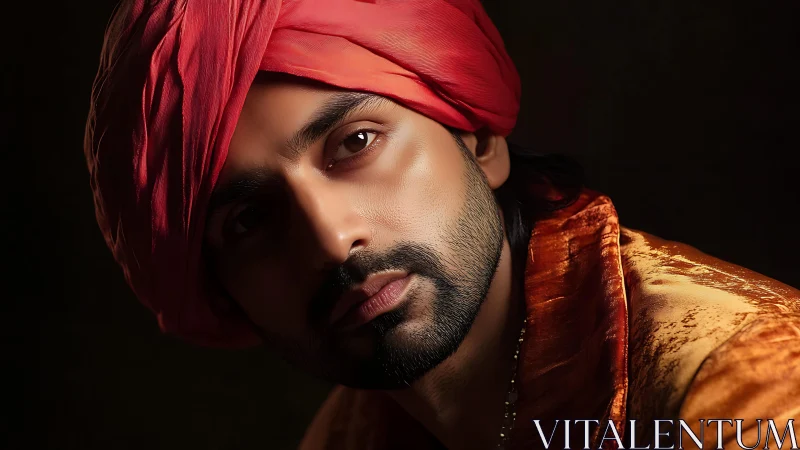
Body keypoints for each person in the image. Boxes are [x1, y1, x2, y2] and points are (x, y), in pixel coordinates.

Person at [84, 0, 800, 449]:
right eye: (249, 220)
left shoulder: (743, 385)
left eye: (355, 144)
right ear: (224, 289)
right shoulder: (351, 433)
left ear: (478, 140)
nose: (332, 241)